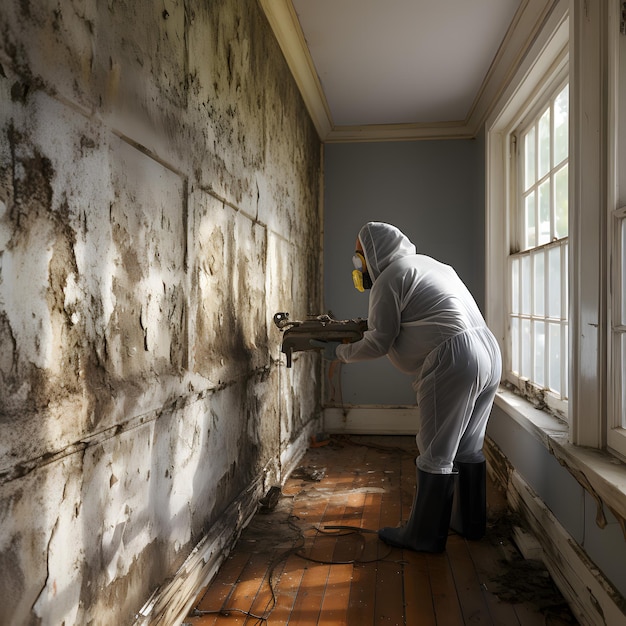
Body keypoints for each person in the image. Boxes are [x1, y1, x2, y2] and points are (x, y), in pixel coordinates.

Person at [315, 222, 501, 553]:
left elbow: (379, 342)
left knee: (436, 452)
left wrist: (337, 352)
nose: (358, 264)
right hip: (488, 351)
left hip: (452, 358)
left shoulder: (389, 277)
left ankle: (424, 536)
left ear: (373, 252)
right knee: (468, 446)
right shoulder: (433, 265)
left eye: (359, 255)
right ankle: (470, 523)